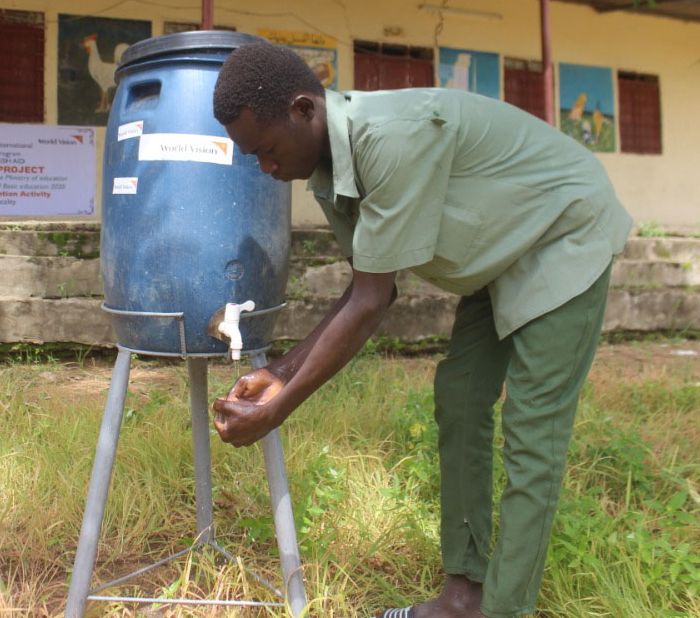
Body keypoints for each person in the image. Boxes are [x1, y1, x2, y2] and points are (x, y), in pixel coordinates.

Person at [209, 41, 632, 618]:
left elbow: (370, 303)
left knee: (532, 432)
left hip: (563, 233)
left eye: (266, 149)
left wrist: (278, 410)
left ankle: (504, 610)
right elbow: (363, 289)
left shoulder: (388, 139)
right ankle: (462, 597)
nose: (266, 168)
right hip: (501, 254)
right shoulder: (329, 170)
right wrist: (277, 373)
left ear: (305, 110)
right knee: (459, 397)